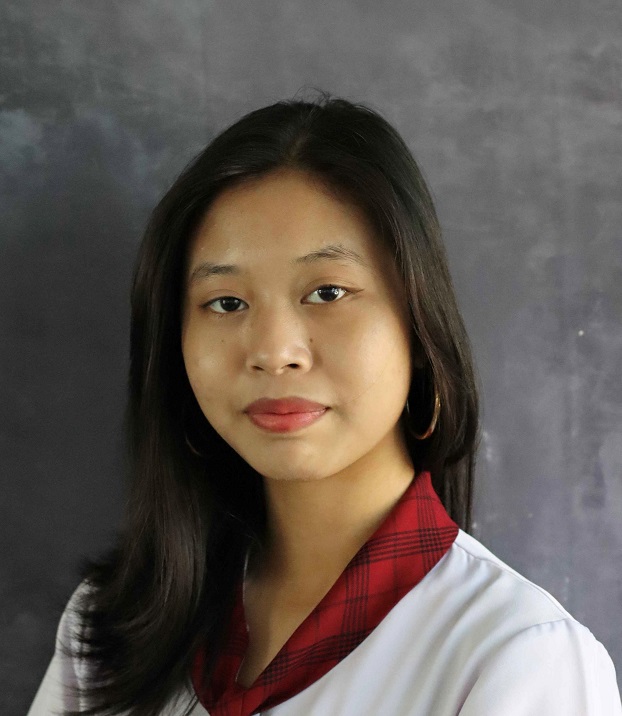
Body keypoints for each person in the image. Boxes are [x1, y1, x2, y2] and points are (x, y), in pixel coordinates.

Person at [28, 95, 621, 716]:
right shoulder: (110, 625)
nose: (273, 352)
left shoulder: (518, 658)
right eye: (226, 302)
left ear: (419, 326)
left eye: (328, 292)